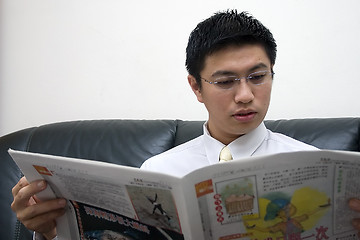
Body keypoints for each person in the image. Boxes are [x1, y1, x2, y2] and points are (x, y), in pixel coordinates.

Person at [11, 10, 360, 240]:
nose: (244, 95)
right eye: (225, 82)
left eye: (258, 77)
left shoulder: (315, 165)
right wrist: (49, 230)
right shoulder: (157, 171)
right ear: (196, 87)